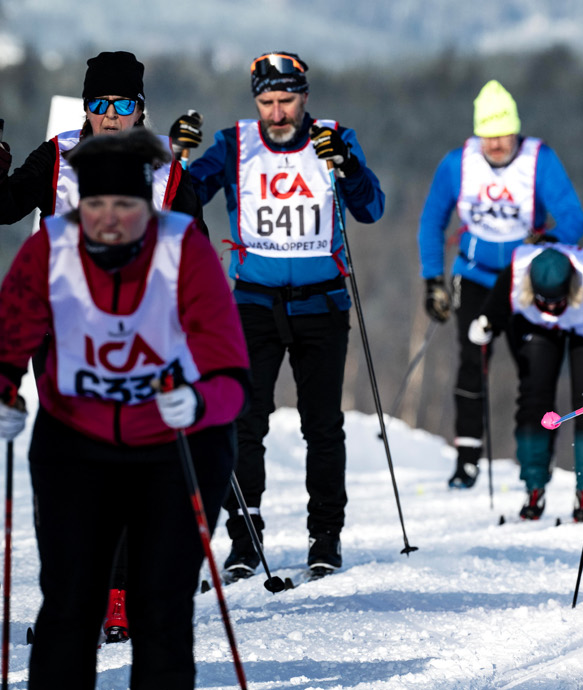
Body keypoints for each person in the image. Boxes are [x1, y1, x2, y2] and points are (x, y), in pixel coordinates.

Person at [0, 128, 248, 689]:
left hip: (174, 446)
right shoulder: (51, 247)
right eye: (95, 205)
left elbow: (234, 375)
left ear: (149, 207)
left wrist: (202, 400)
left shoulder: (184, 249)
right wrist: (5, 391)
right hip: (76, 441)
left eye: (126, 206)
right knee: (69, 604)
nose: (109, 219)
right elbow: (9, 336)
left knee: (161, 608)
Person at [177, 51, 385, 579]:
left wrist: (350, 166)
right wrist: (173, 158)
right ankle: (244, 539)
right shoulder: (233, 143)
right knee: (243, 420)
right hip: (251, 303)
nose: (276, 112)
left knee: (323, 425)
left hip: (322, 302)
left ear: (304, 96)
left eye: (286, 100)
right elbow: (182, 200)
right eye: (267, 101)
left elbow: (371, 207)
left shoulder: (334, 137)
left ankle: (325, 536)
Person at [418, 80, 583, 489]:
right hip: (474, 274)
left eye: (503, 135)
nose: (495, 145)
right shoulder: (456, 164)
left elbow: (574, 219)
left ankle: (535, 463)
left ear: (517, 130)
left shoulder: (539, 161)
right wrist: (432, 280)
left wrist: (545, 241)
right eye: (488, 136)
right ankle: (467, 459)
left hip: (523, 281)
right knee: (471, 361)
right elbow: (431, 222)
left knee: (534, 369)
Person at [466, 244, 583, 520]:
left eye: (557, 301)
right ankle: (534, 486)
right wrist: (485, 324)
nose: (551, 307)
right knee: (533, 400)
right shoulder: (515, 274)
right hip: (535, 327)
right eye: (544, 300)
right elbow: (496, 308)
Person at [0, 51, 205, 230]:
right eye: (99, 104)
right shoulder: (55, 155)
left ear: (139, 112)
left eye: (123, 105)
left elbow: (195, 247)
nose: (111, 114)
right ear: (87, 110)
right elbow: (6, 210)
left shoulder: (168, 165)